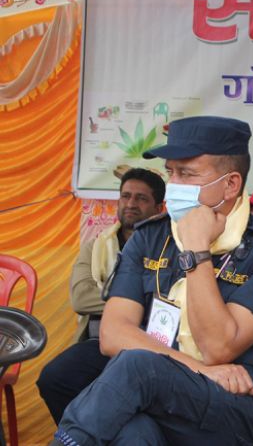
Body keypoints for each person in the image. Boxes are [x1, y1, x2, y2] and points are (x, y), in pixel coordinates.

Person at [55, 116, 253, 445]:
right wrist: (195, 369)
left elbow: (217, 348)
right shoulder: (151, 236)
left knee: (137, 367)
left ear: (230, 184)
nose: (173, 185)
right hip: (159, 394)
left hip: (235, 406)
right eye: (171, 172)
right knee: (134, 430)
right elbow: (113, 334)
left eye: (187, 174)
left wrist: (197, 248)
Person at [36, 168, 165, 423]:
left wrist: (119, 299)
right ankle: (82, 436)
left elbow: (168, 300)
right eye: (126, 196)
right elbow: (81, 298)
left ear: (159, 208)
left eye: (141, 198)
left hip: (150, 343)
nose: (131, 203)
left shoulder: (169, 248)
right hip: (99, 342)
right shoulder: (96, 247)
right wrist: (137, 301)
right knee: (54, 379)